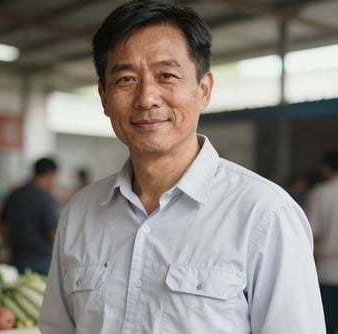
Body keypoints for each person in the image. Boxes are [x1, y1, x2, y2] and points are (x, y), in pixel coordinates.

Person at [39, 1, 325, 333]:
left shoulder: (264, 215)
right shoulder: (80, 213)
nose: (147, 98)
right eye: (127, 79)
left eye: (167, 76)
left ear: (203, 90)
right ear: (104, 97)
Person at [1, 157, 59, 276]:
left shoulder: (14, 194)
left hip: (17, 257)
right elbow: (53, 232)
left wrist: (9, 245)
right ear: (50, 173)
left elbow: (2, 225)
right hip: (41, 259)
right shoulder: (46, 198)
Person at [307, 149, 338, 334]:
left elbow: (313, 232)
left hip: (328, 271)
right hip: (327, 270)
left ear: (327, 168)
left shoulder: (322, 192)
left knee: (326, 324)